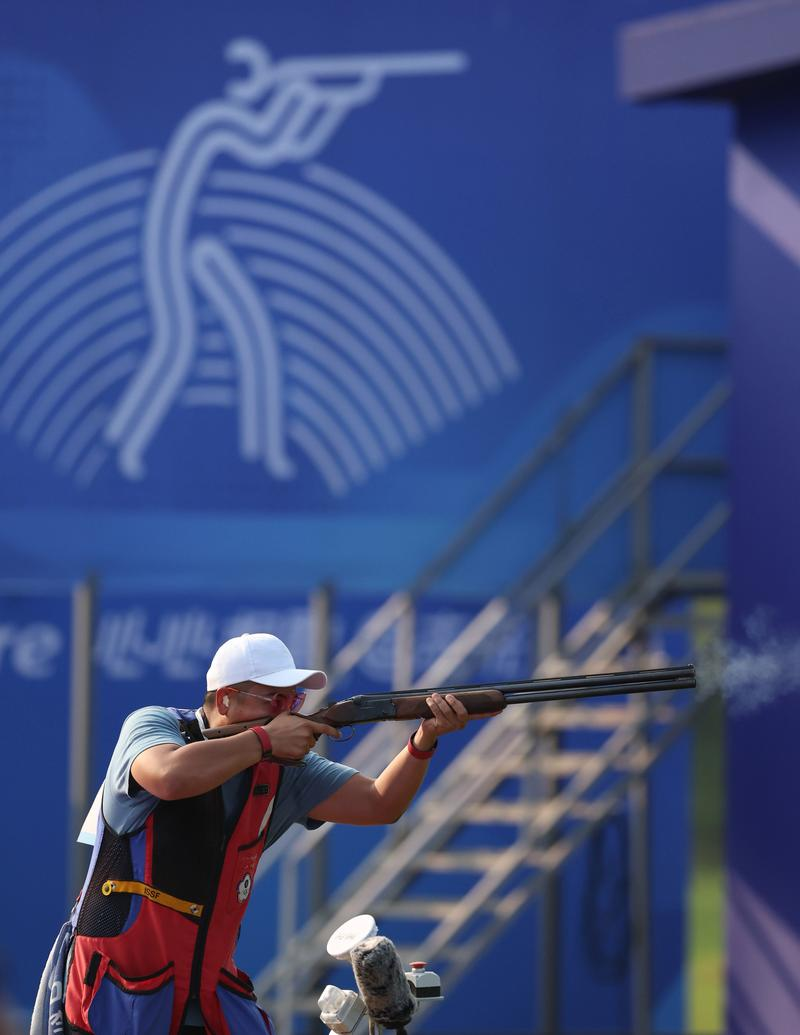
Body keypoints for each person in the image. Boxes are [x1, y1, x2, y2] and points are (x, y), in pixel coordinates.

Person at [33, 632, 472, 1035]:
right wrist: (264, 740)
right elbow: (166, 775)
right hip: (117, 995)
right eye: (274, 699)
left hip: (206, 995)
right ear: (225, 700)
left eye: (293, 699)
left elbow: (380, 803)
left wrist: (424, 738)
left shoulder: (281, 768)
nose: (289, 711)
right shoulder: (154, 725)